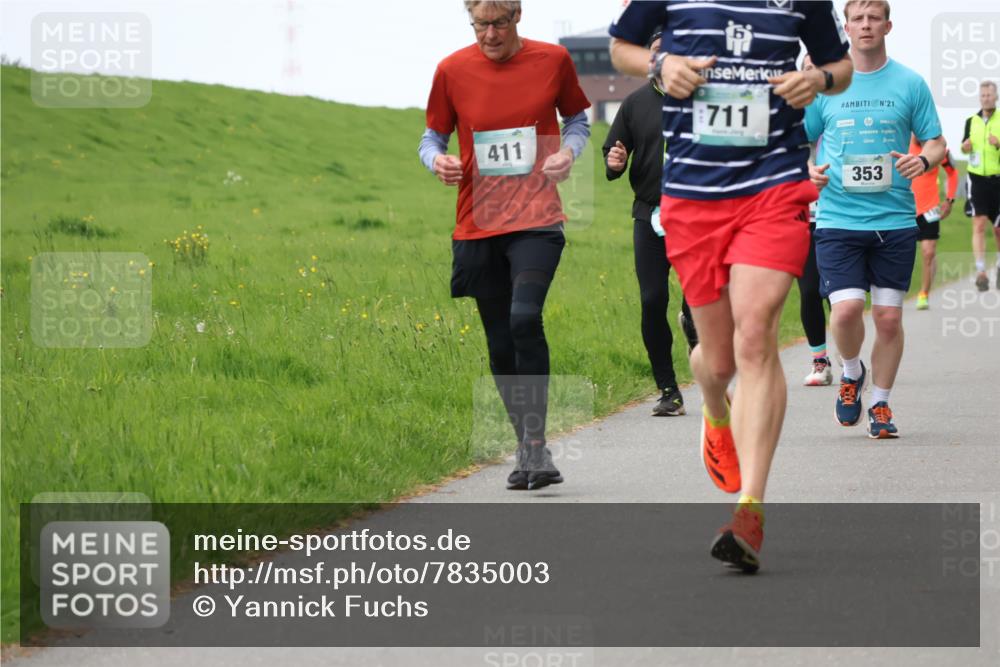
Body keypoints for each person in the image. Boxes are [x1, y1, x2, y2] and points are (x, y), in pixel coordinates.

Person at [609, 1, 852, 573]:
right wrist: (658, 64)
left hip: (774, 185)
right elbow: (621, 46)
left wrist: (815, 78)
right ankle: (716, 409)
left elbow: (839, 66)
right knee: (716, 362)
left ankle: (751, 511)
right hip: (694, 194)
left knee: (757, 332)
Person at [418, 0, 591, 490]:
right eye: (480, 25)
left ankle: (536, 447)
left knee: (523, 318)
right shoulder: (451, 69)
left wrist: (568, 153)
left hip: (537, 219)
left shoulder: (552, 60)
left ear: (518, 16)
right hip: (477, 222)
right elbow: (432, 137)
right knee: (498, 339)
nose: (489, 34)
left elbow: (577, 120)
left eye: (498, 23)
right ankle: (528, 446)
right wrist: (437, 161)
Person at [806, 0, 946, 440]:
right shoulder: (826, 84)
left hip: (895, 220)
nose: (866, 26)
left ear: (888, 25)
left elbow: (937, 143)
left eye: (873, 18)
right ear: (846, 26)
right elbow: (797, 140)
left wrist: (923, 162)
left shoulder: (910, 83)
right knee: (845, 312)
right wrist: (804, 170)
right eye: (857, 19)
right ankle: (851, 372)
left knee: (887, 320)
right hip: (839, 219)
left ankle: (880, 404)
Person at [603, 33, 697, 418]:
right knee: (651, 299)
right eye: (655, 52)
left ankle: (696, 333)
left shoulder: (701, 99)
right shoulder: (635, 103)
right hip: (649, 215)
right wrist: (615, 161)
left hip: (696, 217)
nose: (662, 57)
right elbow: (612, 154)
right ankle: (668, 389)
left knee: (698, 303)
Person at [799, 55, 833, 387]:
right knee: (809, 290)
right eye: (806, 67)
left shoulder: (840, 109)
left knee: (837, 293)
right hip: (803, 216)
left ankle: (848, 354)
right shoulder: (791, 113)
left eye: (817, 68)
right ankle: (819, 359)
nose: (811, 73)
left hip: (838, 215)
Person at [909, 136, 958, 310]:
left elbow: (952, 173)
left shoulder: (937, 149)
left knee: (928, 252)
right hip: (904, 209)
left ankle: (924, 293)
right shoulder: (899, 143)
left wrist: (950, 200)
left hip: (930, 208)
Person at [960, 80, 1000, 291]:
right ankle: (981, 272)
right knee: (979, 224)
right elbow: (965, 147)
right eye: (982, 95)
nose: (985, 98)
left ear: (996, 97)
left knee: (998, 229)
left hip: (998, 179)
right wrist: (965, 147)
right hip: (976, 178)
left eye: (989, 95)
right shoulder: (971, 121)